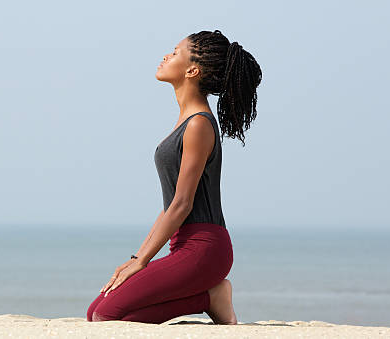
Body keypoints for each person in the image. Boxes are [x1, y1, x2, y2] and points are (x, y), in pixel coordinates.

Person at [86, 30, 262, 324]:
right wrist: (136, 257)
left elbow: (181, 204)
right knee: (95, 312)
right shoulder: (186, 122)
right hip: (184, 244)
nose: (167, 56)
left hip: (206, 247)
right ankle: (209, 296)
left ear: (192, 70)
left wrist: (142, 261)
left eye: (176, 52)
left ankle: (211, 297)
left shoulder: (199, 125)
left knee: (107, 315)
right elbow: (171, 204)